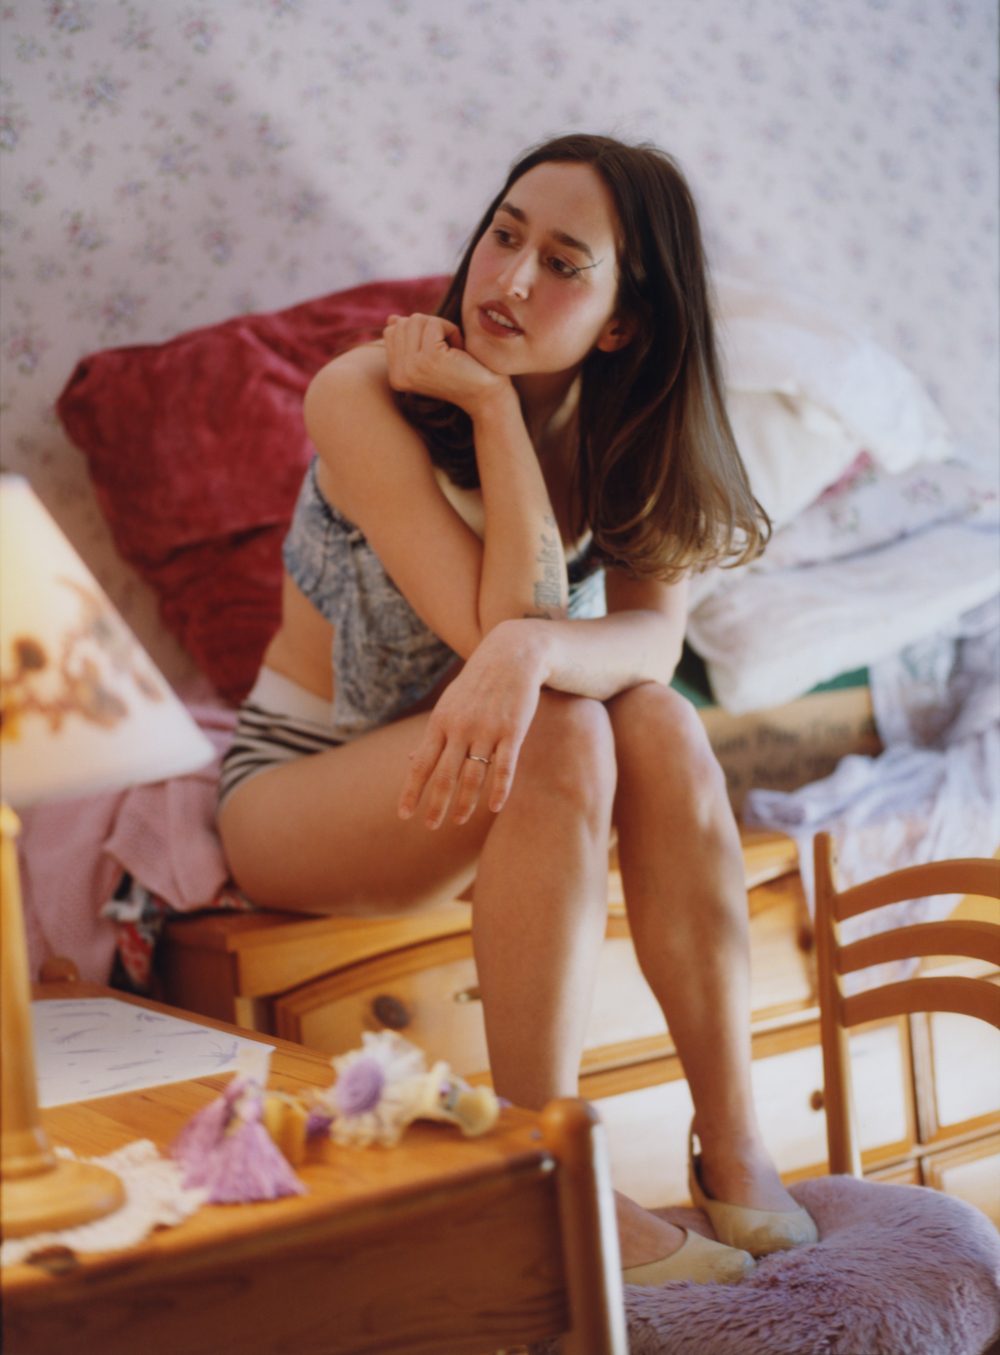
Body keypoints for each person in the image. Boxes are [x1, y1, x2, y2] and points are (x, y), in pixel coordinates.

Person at [217, 132, 817, 1285]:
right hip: (304, 786)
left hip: (490, 784)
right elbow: (494, 629)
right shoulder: (362, 393)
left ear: (623, 322)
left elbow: (651, 642)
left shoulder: (635, 438)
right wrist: (492, 412)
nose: (508, 279)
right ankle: (547, 1164)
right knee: (564, 719)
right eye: (504, 235)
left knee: (657, 717)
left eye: (562, 263)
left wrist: (542, 643)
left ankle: (732, 1136)